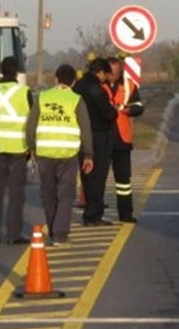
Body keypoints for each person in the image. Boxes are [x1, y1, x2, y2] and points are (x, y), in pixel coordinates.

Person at [26, 64, 94, 245]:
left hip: (45, 153)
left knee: (48, 194)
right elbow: (85, 129)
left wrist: (32, 147)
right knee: (65, 195)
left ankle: (52, 228)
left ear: (55, 79)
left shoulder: (42, 97)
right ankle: (60, 234)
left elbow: (31, 125)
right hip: (67, 155)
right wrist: (88, 154)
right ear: (73, 82)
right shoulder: (76, 100)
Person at [0, 56, 33, 246]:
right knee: (16, 193)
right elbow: (31, 123)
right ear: (17, 72)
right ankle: (14, 235)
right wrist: (31, 147)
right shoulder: (24, 92)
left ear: (1, 71)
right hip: (18, 148)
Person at [73, 57, 117, 226]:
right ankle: (94, 214)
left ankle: (90, 212)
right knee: (98, 175)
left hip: (80, 136)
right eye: (106, 74)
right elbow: (108, 113)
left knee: (86, 175)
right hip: (98, 135)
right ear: (100, 73)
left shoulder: (77, 87)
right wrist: (114, 112)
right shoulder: (97, 89)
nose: (106, 78)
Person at [104, 57, 144, 223]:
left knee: (123, 180)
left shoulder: (129, 85)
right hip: (103, 136)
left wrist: (130, 110)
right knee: (99, 178)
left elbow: (139, 107)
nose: (113, 76)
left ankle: (125, 213)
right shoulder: (99, 85)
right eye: (111, 73)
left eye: (117, 72)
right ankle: (96, 213)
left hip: (122, 138)